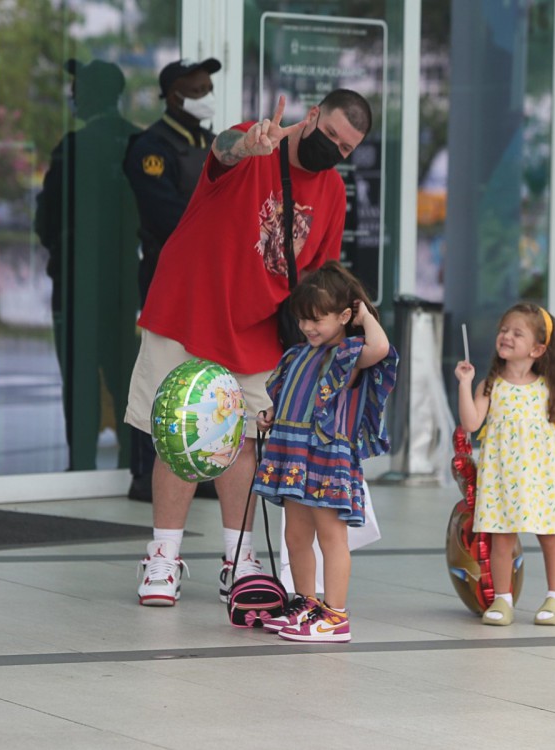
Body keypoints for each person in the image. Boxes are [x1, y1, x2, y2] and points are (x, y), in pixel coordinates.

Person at [124, 89, 374, 607]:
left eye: (346, 148)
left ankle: (239, 559)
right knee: (179, 433)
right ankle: (163, 556)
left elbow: (321, 279)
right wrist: (247, 145)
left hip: (261, 329)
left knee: (244, 443)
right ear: (310, 118)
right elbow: (223, 149)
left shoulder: (332, 192)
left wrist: (336, 342)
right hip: (191, 308)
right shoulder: (258, 144)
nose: (334, 150)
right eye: (330, 134)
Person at [253, 262, 397, 643]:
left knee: (331, 537)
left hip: (326, 456)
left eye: (316, 319)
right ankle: (306, 602)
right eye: (302, 320)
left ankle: (335, 614)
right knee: (296, 536)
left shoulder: (349, 353)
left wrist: (365, 317)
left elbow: (380, 347)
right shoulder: (299, 355)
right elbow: (289, 396)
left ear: (345, 315)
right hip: (295, 455)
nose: (307, 327)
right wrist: (271, 414)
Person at [34, 58, 142, 472]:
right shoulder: (139, 143)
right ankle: (133, 467)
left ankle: (80, 469)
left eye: (76, 90)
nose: (72, 97)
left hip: (77, 289)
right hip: (125, 289)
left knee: (80, 385)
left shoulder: (73, 148)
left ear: (90, 95)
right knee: (126, 380)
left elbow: (46, 221)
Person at [122, 57, 222, 502]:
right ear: (174, 95)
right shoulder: (151, 148)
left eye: (208, 86)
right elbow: (167, 216)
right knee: (161, 372)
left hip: (211, 279)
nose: (207, 95)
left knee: (203, 375)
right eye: (198, 89)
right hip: (167, 276)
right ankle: (147, 474)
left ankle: (196, 466)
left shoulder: (214, 143)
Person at [454, 303, 555, 626]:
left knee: (550, 537)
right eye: (503, 330)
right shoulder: (490, 385)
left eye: (517, 333)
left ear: (538, 349)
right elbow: (471, 423)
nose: (506, 336)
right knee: (502, 539)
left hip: (541, 477)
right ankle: (502, 598)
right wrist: (464, 384)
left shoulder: (547, 388)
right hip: (502, 477)